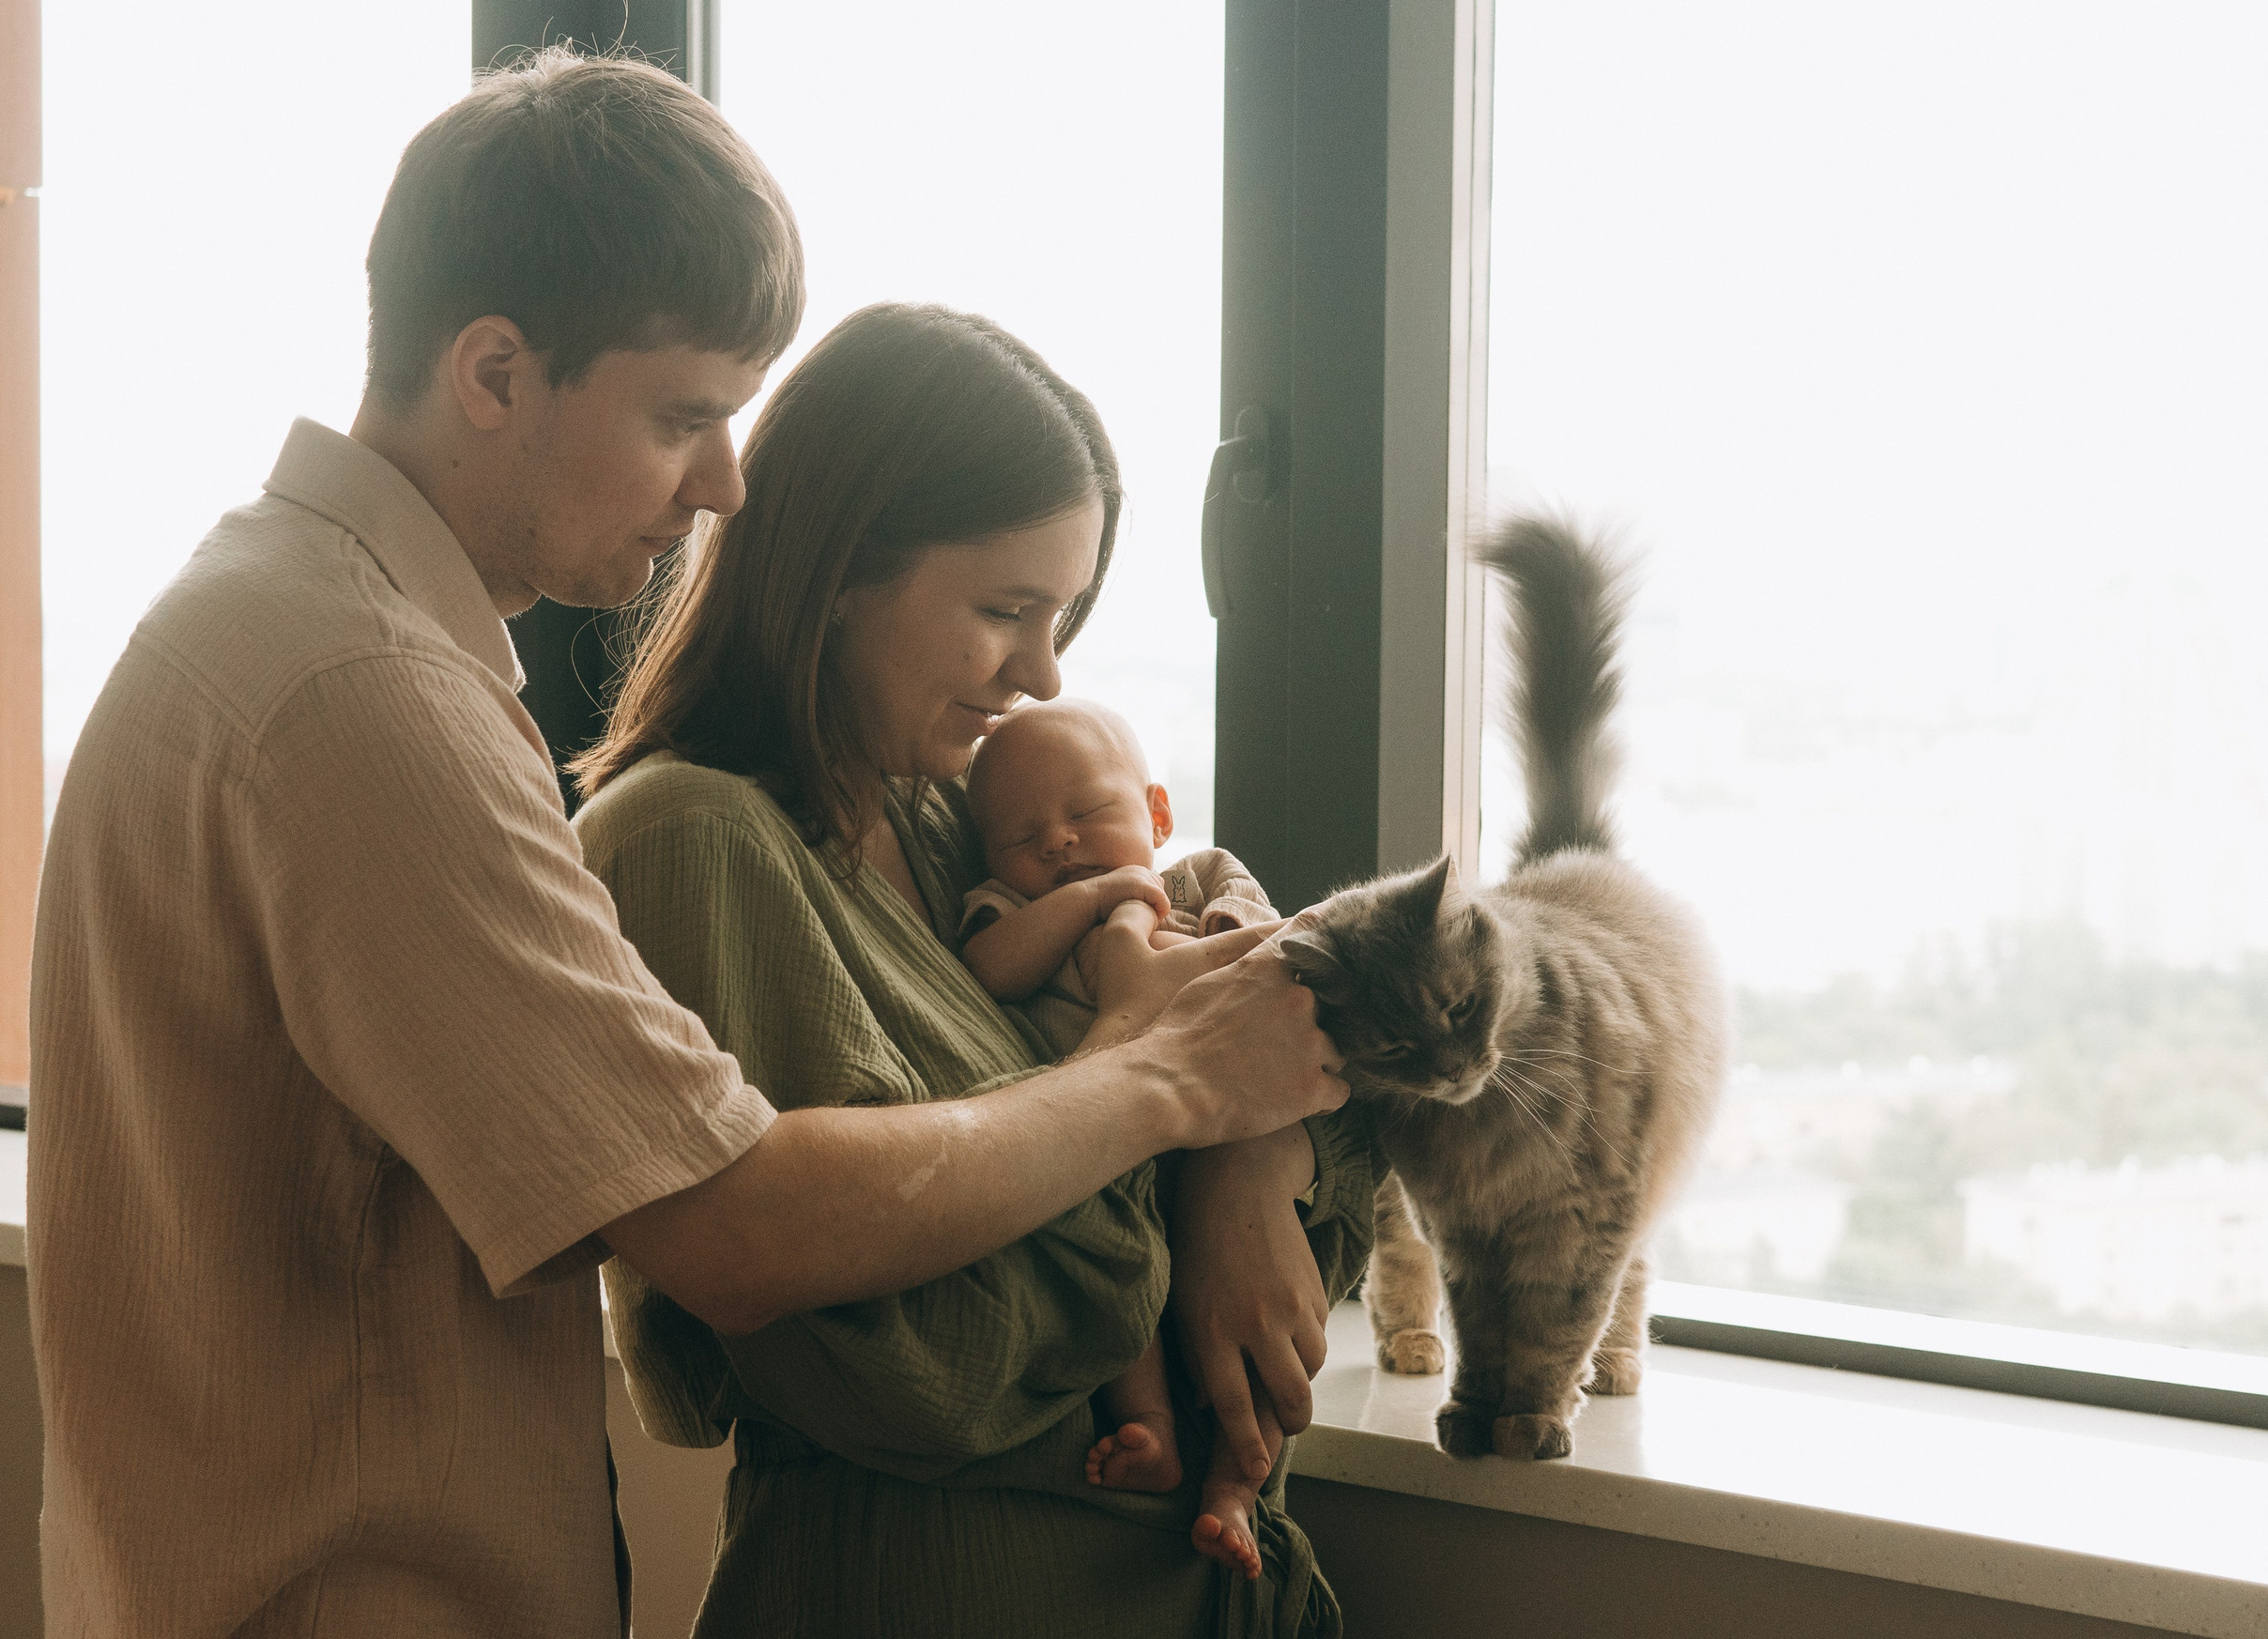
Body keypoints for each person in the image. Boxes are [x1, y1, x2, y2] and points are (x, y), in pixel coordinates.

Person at [26, 51, 1345, 1639]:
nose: (724, 481)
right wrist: (1168, 1083)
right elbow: (733, 1220)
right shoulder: (358, 699)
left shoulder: (288, 629)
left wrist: (1235, 1155)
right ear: (496, 373)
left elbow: (1203, 910)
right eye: (683, 415)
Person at [573, 301, 1383, 1637]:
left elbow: (1305, 1002)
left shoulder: (962, 817)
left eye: (1062, 614)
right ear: (838, 572)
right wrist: (1176, 1108)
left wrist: (1248, 1169)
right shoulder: (693, 840)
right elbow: (930, 1369)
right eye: (1006, 609)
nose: (1043, 669)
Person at [958, 698, 1290, 1576]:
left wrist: (1218, 934)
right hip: (1100, 1152)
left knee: (1250, 1334)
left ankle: (1236, 1488)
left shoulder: (1200, 876)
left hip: (1209, 1149)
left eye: (1087, 814)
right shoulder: (1010, 908)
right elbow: (989, 970)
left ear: (1158, 813)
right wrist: (1099, 897)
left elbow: (1272, 948)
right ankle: (1154, 1432)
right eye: (1023, 836)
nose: (1059, 843)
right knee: (1123, 1298)